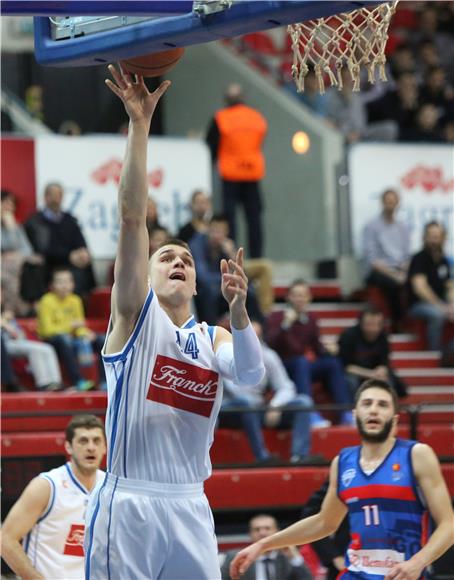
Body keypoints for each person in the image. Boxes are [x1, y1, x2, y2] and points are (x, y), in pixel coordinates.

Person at [84, 65, 265, 580]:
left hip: (189, 504)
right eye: (165, 257)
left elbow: (252, 377)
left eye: (184, 258)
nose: (177, 261)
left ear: (197, 281)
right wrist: (139, 127)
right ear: (145, 272)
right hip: (130, 501)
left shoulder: (213, 337)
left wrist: (240, 314)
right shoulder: (134, 317)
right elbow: (131, 217)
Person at [230, 379, 454, 580]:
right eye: (367, 404)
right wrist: (263, 544)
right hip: (355, 573)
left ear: (394, 420)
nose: (374, 410)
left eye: (382, 405)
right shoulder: (343, 461)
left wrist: (418, 562)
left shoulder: (417, 455)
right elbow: (325, 522)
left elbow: (449, 524)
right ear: (356, 414)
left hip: (404, 574)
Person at [1, 415, 106, 580]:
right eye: (83, 441)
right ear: (68, 447)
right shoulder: (47, 485)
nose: (91, 447)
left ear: (105, 447)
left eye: (96, 441)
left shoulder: (109, 488)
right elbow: (5, 540)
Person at [222, 321, 324, 465]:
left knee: (303, 402)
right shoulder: (224, 353)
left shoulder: (267, 355)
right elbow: (233, 391)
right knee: (246, 402)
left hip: (259, 409)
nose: (251, 340)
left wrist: (275, 405)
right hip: (231, 409)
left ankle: (299, 456)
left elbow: (286, 386)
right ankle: (262, 457)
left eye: (255, 337)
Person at [266, 279, 352, 427]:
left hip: (302, 365)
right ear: (288, 297)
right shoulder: (277, 316)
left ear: (309, 298)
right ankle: (310, 413)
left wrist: (329, 350)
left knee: (332, 364)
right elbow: (270, 343)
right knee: (301, 361)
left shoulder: (311, 319)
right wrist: (286, 325)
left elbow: (317, 349)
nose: (299, 299)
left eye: (303, 295)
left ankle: (345, 413)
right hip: (281, 366)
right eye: (295, 295)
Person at [206, 83, 267, 258]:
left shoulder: (221, 118)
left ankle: (230, 257)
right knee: (254, 220)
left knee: (229, 221)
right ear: (243, 98)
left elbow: (211, 144)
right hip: (252, 173)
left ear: (226, 100)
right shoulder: (257, 117)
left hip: (230, 175)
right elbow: (260, 139)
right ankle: (257, 257)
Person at [37, 267, 105, 391]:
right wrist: (70, 327)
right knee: (64, 339)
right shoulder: (46, 301)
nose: (65, 285)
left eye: (68, 281)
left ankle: (104, 382)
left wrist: (85, 333)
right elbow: (47, 330)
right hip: (53, 340)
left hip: (72, 338)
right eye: (60, 282)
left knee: (101, 339)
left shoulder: (75, 300)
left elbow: (79, 325)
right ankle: (78, 381)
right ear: (52, 285)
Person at [190, 214, 265, 324]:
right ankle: (212, 333)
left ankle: (258, 329)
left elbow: (240, 275)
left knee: (248, 291)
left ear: (226, 233)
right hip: (203, 291)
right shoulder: (196, 244)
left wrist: (232, 255)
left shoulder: (227, 246)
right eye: (214, 230)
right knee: (209, 292)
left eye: (220, 231)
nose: (216, 235)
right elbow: (202, 276)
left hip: (222, 288)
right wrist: (226, 279)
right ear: (208, 229)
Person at [24, 182, 96, 296]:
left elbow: (80, 240)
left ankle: (83, 304)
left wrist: (83, 252)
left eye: (59, 195)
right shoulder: (34, 222)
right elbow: (41, 249)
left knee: (86, 266)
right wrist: (68, 256)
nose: (56, 199)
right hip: (49, 263)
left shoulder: (70, 219)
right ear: (45, 197)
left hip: (71, 262)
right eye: (53, 195)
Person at [362, 189, 411, 331]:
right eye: (387, 201)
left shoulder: (403, 227)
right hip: (378, 271)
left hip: (399, 269)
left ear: (398, 203)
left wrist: (404, 270)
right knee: (393, 284)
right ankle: (397, 322)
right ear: (382, 203)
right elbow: (372, 260)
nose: (390, 204)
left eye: (393, 201)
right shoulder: (371, 226)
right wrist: (395, 276)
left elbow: (407, 255)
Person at [338, 306, 407, 398]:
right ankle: (353, 409)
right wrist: (370, 374)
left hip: (374, 371)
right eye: (369, 324)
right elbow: (347, 367)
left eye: (377, 324)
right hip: (354, 373)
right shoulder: (348, 335)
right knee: (351, 381)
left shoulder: (383, 336)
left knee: (388, 382)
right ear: (361, 324)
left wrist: (381, 370)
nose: (373, 328)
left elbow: (384, 362)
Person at [406, 221, 454, 351]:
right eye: (431, 236)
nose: (434, 240)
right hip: (418, 305)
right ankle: (434, 353)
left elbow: (449, 286)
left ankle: (450, 351)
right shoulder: (419, 258)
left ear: (443, 238)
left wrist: (451, 305)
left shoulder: (443, 260)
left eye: (437, 237)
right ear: (425, 237)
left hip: (440, 303)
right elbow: (420, 288)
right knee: (437, 314)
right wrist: (441, 306)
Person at [221, 513, 312, 580]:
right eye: (257, 529)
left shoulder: (287, 558)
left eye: (267, 528)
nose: (262, 533)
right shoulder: (236, 556)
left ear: (277, 532)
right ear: (250, 534)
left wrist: (294, 558)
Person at [1, 189, 45, 315]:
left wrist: (11, 227)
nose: (9, 207)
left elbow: (27, 250)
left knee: (33, 264)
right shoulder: (11, 225)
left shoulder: (15, 226)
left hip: (16, 265)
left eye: (11, 204)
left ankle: (29, 309)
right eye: (5, 203)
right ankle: (13, 311)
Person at [1, 305, 63, 391]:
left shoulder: (6, 314)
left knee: (47, 348)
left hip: (15, 342)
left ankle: (56, 382)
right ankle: (43, 384)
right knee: (34, 350)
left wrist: (9, 324)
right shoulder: (2, 318)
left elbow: (19, 335)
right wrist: (3, 324)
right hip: (4, 345)